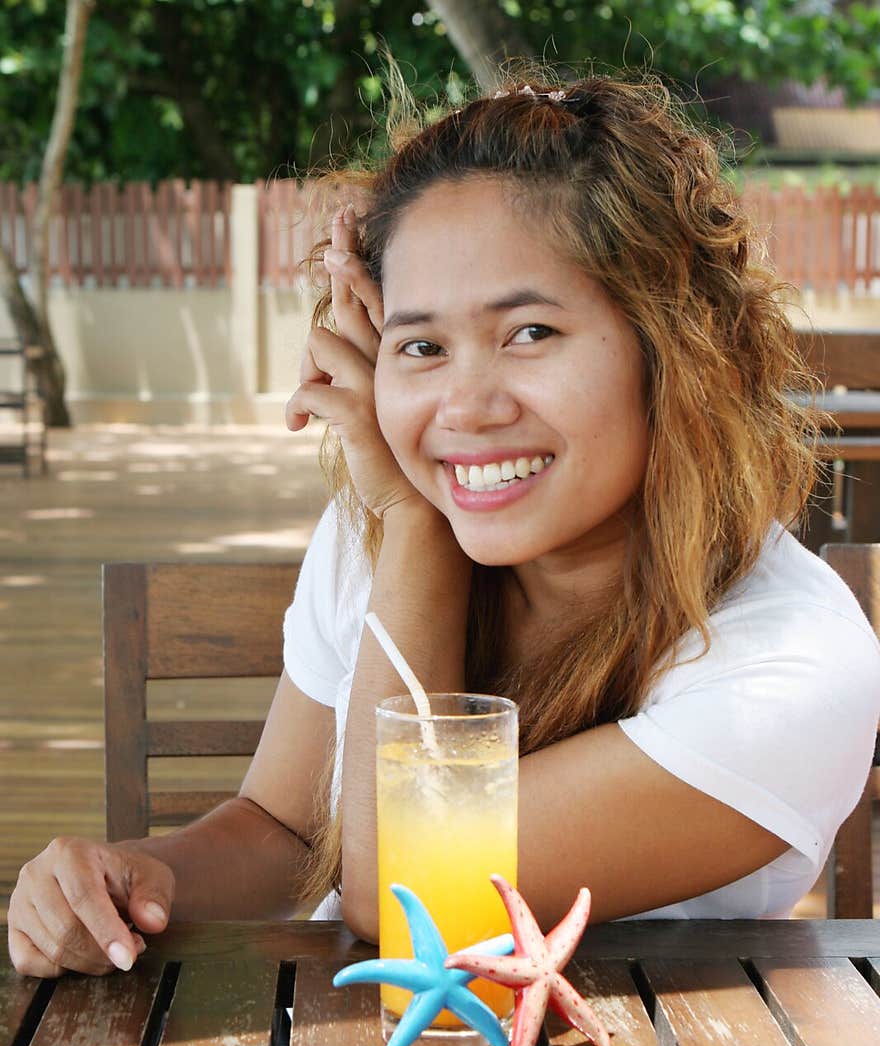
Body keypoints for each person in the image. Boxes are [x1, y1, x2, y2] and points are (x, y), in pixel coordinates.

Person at [8, 69, 880, 979]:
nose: (464, 407)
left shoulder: (791, 669)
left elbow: (409, 892)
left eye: (530, 332)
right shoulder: (384, 531)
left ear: (677, 348)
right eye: (421, 346)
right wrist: (135, 882)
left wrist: (415, 528)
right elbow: (282, 828)